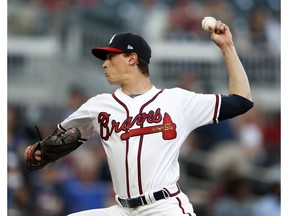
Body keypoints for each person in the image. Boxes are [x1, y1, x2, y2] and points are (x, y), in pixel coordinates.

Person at [23, 19, 253, 216]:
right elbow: (58, 139)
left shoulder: (177, 101)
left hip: (164, 207)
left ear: (132, 58)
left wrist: (227, 47)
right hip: (122, 209)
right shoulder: (98, 106)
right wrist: (40, 151)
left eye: (111, 57)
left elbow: (242, 100)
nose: (104, 63)